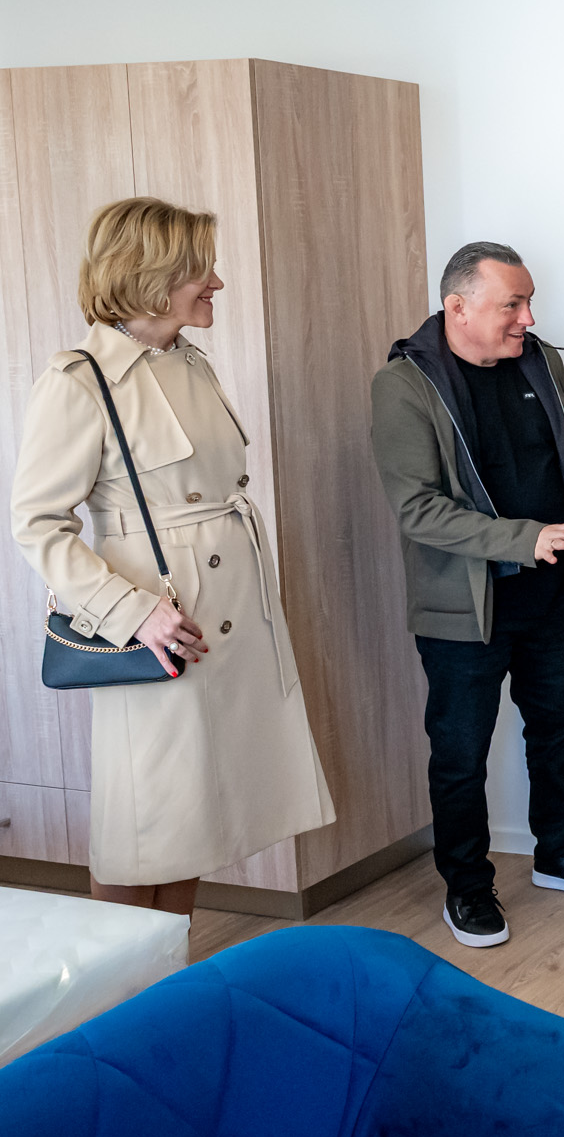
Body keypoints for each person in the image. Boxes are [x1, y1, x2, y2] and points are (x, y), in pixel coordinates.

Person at [12, 197, 334, 916]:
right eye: (200, 269)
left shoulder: (190, 363)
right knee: (143, 820)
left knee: (193, 819)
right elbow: (38, 524)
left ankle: (166, 977)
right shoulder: (79, 381)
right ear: (153, 276)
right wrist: (134, 616)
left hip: (228, 619)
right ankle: (120, 995)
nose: (215, 282)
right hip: (159, 622)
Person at [372, 242, 564, 948]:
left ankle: (557, 850)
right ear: (459, 307)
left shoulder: (543, 362)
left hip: (549, 593)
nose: (527, 317)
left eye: (527, 301)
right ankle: (468, 887)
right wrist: (523, 539)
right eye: (513, 303)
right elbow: (416, 507)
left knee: (560, 724)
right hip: (464, 609)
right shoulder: (405, 384)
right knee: (459, 750)